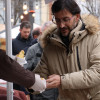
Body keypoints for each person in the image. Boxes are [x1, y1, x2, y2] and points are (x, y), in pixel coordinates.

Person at [33, 0, 100, 100]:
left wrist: (62, 80)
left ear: (77, 17)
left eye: (66, 19)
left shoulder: (95, 37)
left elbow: (97, 72)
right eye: (57, 20)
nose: (61, 25)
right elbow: (39, 77)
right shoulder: (50, 46)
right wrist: (28, 82)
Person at [25, 21, 58, 100]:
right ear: (41, 33)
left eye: (53, 33)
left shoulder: (58, 49)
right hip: (40, 96)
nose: (50, 36)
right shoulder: (33, 50)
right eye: (47, 33)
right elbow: (25, 73)